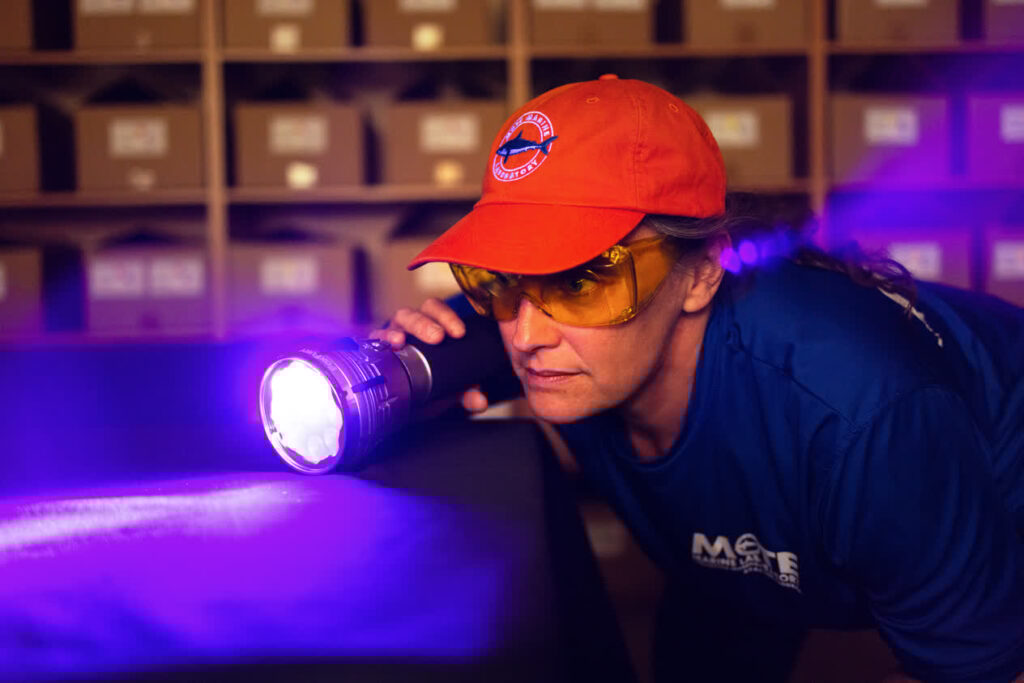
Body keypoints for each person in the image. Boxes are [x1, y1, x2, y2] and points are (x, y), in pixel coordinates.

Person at [371, 75, 1024, 683]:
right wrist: (402, 378)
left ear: (703, 270)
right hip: (738, 549)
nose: (527, 336)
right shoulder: (560, 343)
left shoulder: (857, 412)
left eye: (583, 281)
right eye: (502, 280)